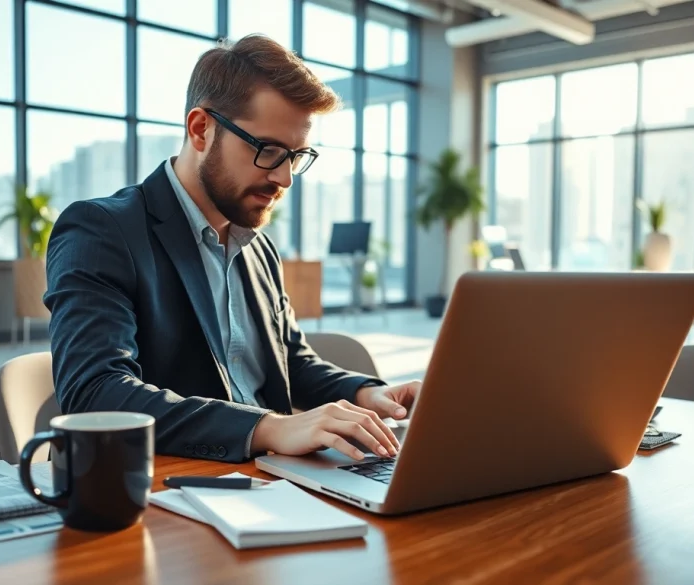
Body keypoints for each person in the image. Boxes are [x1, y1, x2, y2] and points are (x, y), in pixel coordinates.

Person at [44, 34, 421, 464]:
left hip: (273, 482)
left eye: (296, 156)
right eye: (269, 151)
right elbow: (95, 392)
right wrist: (267, 427)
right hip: (172, 486)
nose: (284, 179)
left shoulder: (257, 247)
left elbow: (290, 362)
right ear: (201, 129)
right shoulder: (102, 230)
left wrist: (369, 394)